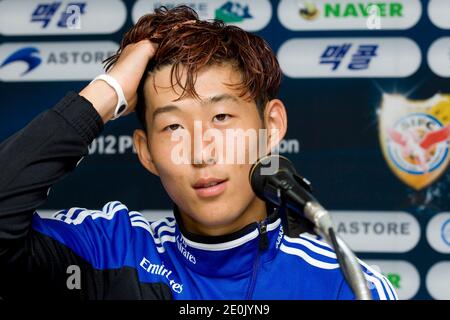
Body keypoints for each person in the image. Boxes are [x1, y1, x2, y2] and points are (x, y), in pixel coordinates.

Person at [0, 6, 397, 300]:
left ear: (271, 126)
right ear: (146, 152)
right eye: (173, 126)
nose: (200, 150)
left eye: (221, 116)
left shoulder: (344, 286)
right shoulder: (107, 250)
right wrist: (109, 91)